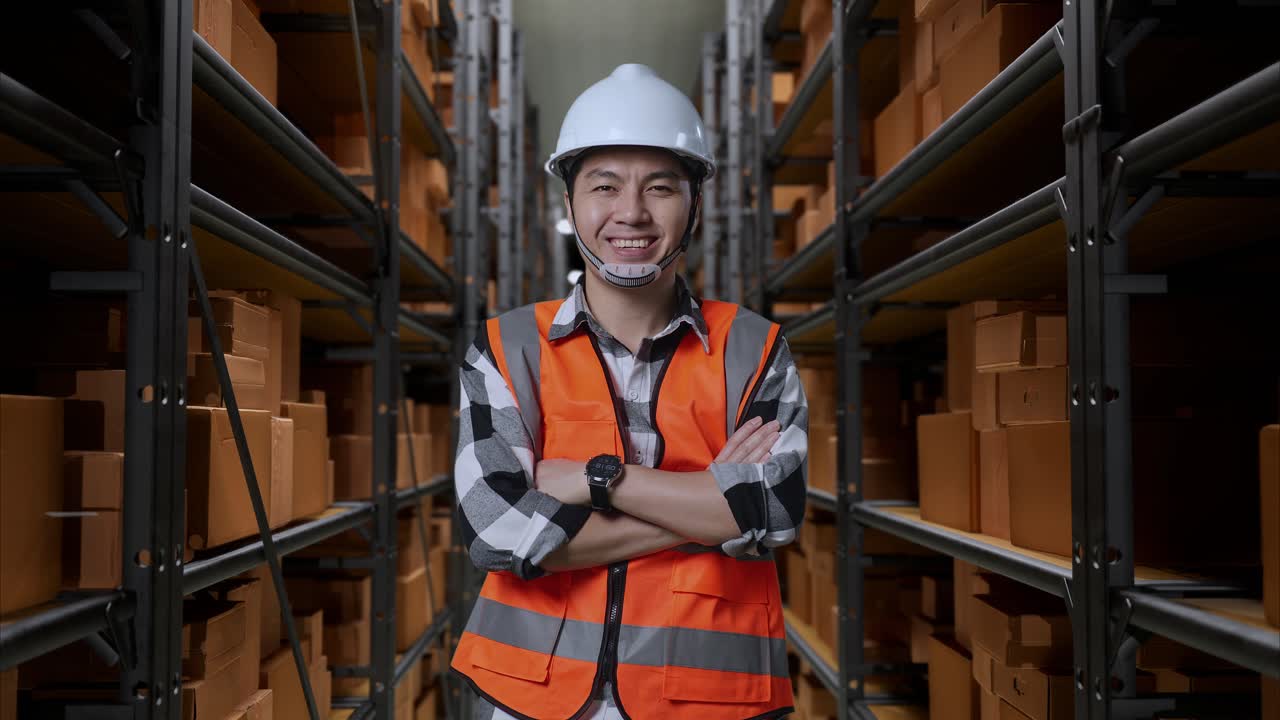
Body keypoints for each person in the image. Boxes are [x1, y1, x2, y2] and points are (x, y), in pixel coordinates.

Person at [450, 63, 809, 720]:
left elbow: (776, 511)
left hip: (706, 700)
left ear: (694, 205)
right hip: (527, 695)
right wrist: (707, 507)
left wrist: (596, 481)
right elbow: (495, 530)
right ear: (569, 204)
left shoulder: (754, 348)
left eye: (660, 187)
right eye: (604, 186)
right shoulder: (507, 346)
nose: (632, 212)